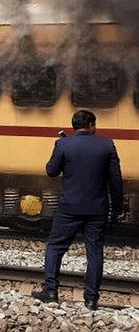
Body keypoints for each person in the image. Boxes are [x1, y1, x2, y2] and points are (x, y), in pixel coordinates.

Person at [32, 109, 123, 311]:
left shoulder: (64, 144)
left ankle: (51, 291)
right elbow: (115, 180)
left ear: (74, 126)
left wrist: (62, 155)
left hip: (69, 208)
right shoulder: (106, 145)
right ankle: (91, 300)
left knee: (55, 247)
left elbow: (51, 170)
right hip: (97, 209)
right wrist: (118, 208)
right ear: (92, 125)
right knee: (95, 253)